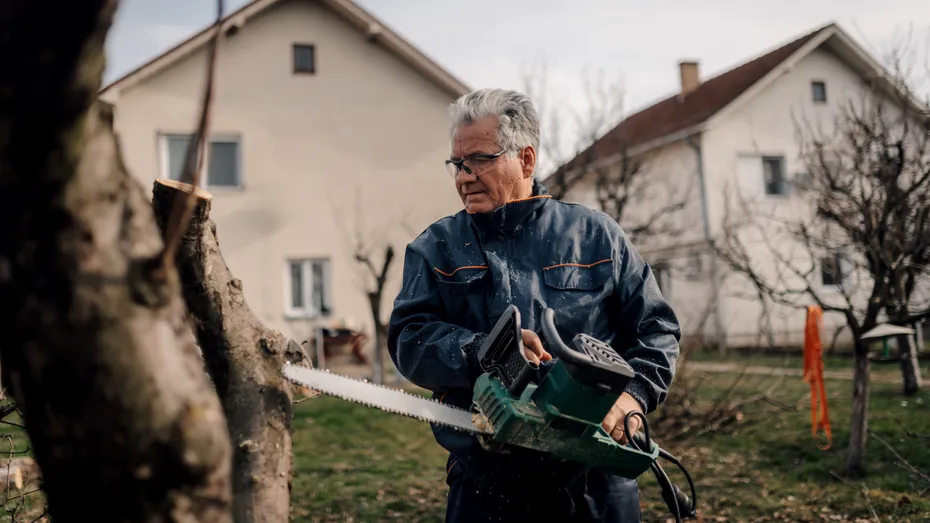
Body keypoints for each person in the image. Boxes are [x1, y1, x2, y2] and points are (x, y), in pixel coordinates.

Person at [387, 88, 680, 523]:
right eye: (457, 164)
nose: (463, 178)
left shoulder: (595, 235)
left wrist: (633, 396)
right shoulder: (436, 248)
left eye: (478, 160)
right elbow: (409, 338)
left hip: (596, 486)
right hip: (486, 483)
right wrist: (487, 350)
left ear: (525, 160)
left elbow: (656, 329)